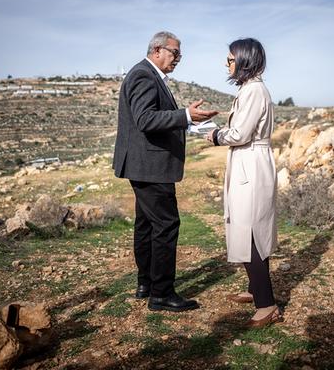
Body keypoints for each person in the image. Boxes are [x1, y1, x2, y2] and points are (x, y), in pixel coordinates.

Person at [113, 31, 218, 312]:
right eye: (175, 53)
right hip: (151, 167)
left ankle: (146, 284)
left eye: (180, 54)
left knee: (146, 224)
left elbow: (153, 118)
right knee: (166, 225)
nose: (178, 59)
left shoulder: (147, 75)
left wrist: (187, 119)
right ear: (157, 50)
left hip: (146, 165)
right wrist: (185, 115)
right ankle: (161, 294)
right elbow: (146, 119)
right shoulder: (144, 75)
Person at [205, 38, 280, 327]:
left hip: (251, 162)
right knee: (253, 226)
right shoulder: (251, 89)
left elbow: (239, 134)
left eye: (230, 58)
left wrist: (215, 135)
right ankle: (255, 289)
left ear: (244, 59)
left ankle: (267, 305)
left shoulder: (253, 91)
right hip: (250, 161)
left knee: (250, 230)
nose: (227, 64)